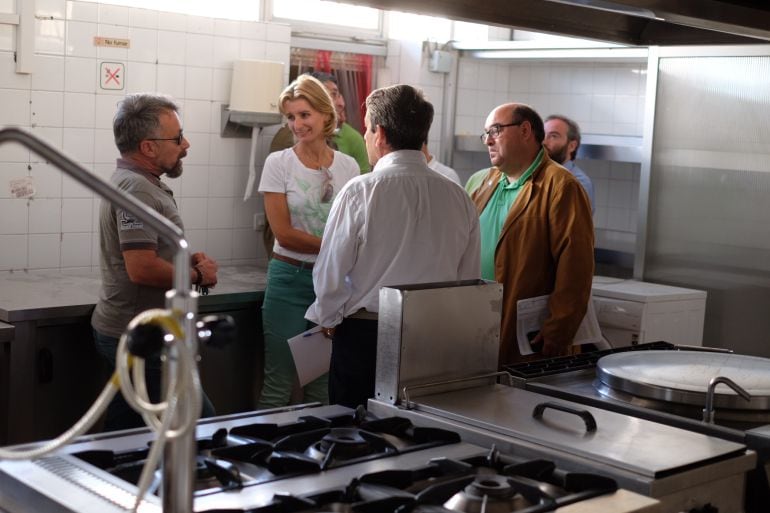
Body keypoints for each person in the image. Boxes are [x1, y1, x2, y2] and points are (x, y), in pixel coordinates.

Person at [306, 84, 481, 409]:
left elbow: (330, 274)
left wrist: (328, 319)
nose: (366, 135)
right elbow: (468, 281)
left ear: (380, 133)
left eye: (367, 127)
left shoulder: (360, 191)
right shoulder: (458, 196)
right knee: (421, 435)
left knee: (355, 438)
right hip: (433, 339)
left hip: (366, 338)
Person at [91, 93, 219, 431]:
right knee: (199, 422)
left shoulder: (140, 184)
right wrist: (195, 275)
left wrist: (181, 257)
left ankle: (117, 479)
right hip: (135, 330)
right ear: (148, 147)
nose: (185, 144)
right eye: (177, 138)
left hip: (133, 328)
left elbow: (146, 251)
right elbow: (141, 267)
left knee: (126, 427)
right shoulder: (137, 190)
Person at [257, 75, 360, 408]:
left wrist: (342, 253)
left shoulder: (349, 166)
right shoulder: (279, 164)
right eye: (291, 117)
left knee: (321, 383)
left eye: (304, 115)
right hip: (290, 280)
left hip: (331, 284)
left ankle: (318, 457)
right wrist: (336, 247)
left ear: (324, 114)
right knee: (279, 382)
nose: (297, 124)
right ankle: (264, 454)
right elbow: (283, 233)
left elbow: (356, 226)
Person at [468, 103, 594, 365]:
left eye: (496, 130)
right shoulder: (487, 182)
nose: (488, 140)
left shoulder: (561, 186)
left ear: (525, 130)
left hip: (528, 335)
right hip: (479, 322)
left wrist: (559, 328)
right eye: (486, 134)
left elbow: (576, 265)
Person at [307, 71, 369, 173]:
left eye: (338, 95)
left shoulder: (353, 138)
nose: (341, 104)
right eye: (333, 95)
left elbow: (363, 185)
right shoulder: (292, 136)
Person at [543, 114, 595, 213]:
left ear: (571, 146)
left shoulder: (578, 183)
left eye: (553, 136)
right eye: (543, 135)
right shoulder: (538, 174)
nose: (544, 142)